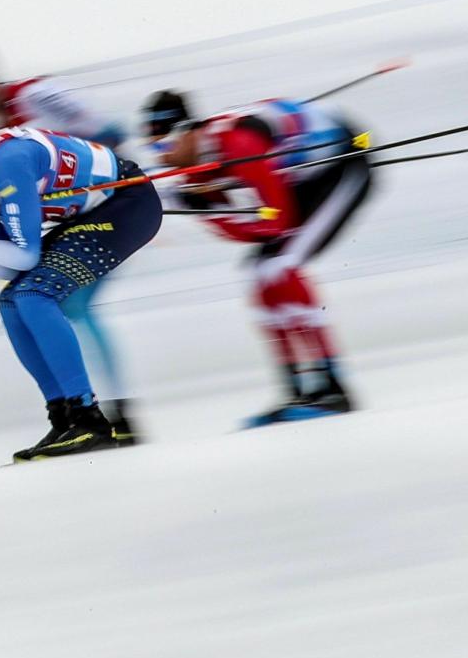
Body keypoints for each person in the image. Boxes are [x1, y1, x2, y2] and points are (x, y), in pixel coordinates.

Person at [0, 108, 163, 461]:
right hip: (89, 215)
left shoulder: (9, 162)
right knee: (10, 301)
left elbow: (24, 257)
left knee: (35, 294)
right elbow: (6, 266)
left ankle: (90, 421)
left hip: (127, 203)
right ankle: (65, 417)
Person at [0, 41, 141, 441]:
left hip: (112, 202)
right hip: (76, 217)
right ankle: (102, 410)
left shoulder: (35, 95)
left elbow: (109, 132)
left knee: (72, 303)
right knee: (57, 302)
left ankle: (115, 413)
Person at [141, 90, 371, 426]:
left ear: (187, 132)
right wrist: (207, 207)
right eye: (153, 149)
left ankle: (333, 387)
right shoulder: (194, 163)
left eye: (163, 147)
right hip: (299, 171)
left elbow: (276, 221)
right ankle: (295, 390)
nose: (161, 158)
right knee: (258, 274)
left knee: (281, 266)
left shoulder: (240, 147)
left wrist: (206, 207)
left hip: (342, 161)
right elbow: (241, 226)